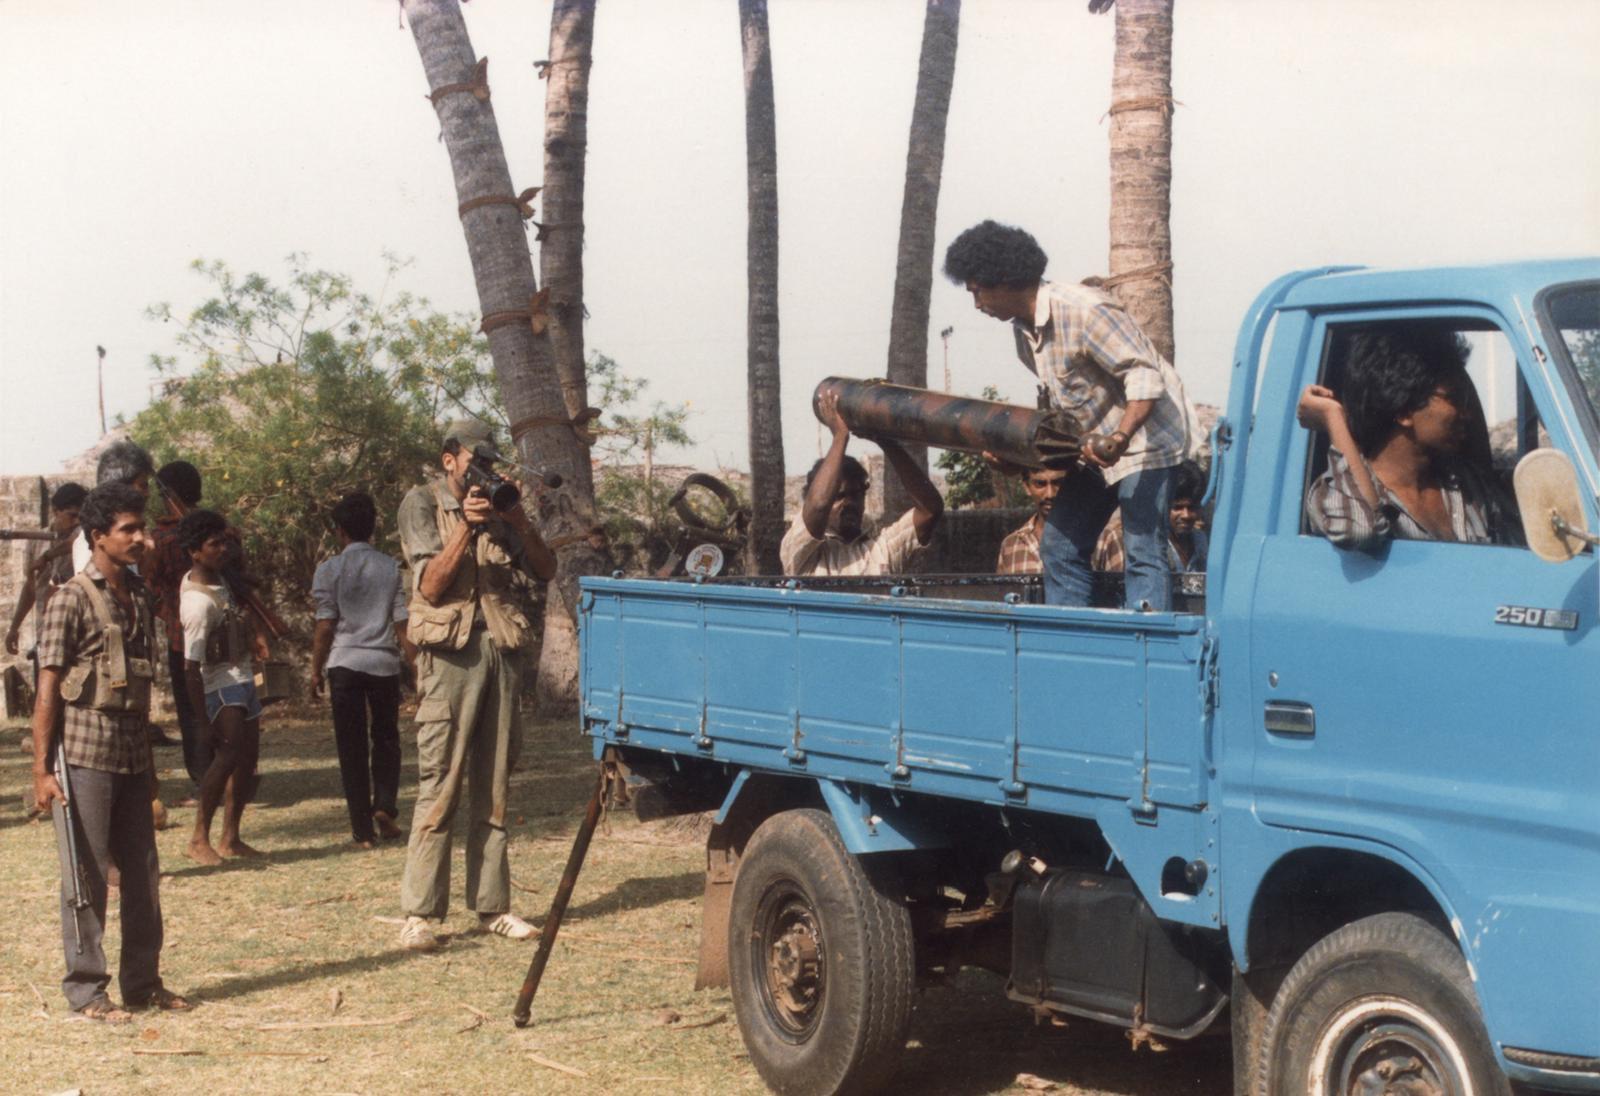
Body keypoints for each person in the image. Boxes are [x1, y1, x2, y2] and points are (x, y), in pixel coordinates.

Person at [943, 220, 1197, 610]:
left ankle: (1146, 644)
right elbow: (1065, 414)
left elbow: (1144, 375)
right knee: (1059, 546)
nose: (977, 305)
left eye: (978, 292)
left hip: (1149, 441)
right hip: (1097, 447)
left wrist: (1120, 437)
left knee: (1143, 548)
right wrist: (1016, 457)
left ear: (1004, 279)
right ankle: (1074, 637)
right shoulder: (1024, 334)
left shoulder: (1085, 309)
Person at [30, 482, 192, 1020]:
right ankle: (86, 990)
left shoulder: (140, 597)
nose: (143, 539)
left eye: (142, 528)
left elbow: (139, 688)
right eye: (130, 530)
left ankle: (143, 983)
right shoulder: (71, 598)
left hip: (132, 754)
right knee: (88, 876)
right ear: (98, 536)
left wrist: (150, 766)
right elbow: (48, 689)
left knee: (143, 875)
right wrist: (41, 771)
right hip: (84, 756)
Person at [395, 419, 557, 951]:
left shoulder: (500, 505)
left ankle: (493, 906)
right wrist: (466, 525)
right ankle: (419, 914)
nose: (481, 471)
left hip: (501, 649)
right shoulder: (422, 503)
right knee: (440, 783)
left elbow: (545, 569)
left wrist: (518, 520)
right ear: (449, 459)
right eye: (474, 460)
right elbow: (431, 586)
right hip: (450, 656)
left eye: (489, 461)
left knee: (494, 786)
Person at [1298, 328, 1510, 549]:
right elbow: (1361, 529)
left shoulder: (1466, 484)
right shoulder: (1332, 494)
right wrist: (1333, 417)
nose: (1467, 414)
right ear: (1405, 411)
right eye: (1454, 399)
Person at [311, 492, 412, 849]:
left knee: (350, 746)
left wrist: (315, 669)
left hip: (345, 663)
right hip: (383, 663)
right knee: (386, 738)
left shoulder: (329, 570)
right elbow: (402, 623)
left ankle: (362, 831)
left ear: (339, 531)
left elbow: (325, 625)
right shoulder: (389, 567)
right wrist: (416, 665)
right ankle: (384, 804)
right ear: (373, 529)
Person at [178, 508, 267, 866]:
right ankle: (199, 837)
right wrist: (202, 722)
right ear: (194, 552)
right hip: (219, 686)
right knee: (226, 757)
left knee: (247, 759)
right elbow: (190, 667)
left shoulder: (222, 579)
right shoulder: (197, 604)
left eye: (223, 543)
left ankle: (231, 837)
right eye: (213, 545)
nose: (222, 550)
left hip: (242, 677)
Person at [781, 389, 944, 577]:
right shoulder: (799, 550)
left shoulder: (882, 548)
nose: (850, 503)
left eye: (856, 495)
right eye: (839, 496)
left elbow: (930, 510)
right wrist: (840, 437)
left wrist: (886, 441)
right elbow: (818, 505)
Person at [146, 461, 212, 791]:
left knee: (191, 710)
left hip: (181, 636)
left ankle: (204, 779)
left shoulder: (162, 538)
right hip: (219, 631)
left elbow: (150, 585)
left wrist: (168, 611)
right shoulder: (219, 529)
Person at [6, 482, 87, 661]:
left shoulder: (83, 540)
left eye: (81, 517)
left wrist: (47, 556)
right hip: (46, 631)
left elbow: (74, 542)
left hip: (78, 632)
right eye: (72, 515)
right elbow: (31, 589)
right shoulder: (36, 542)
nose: (77, 521)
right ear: (56, 511)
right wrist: (14, 628)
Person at [1093, 461, 1210, 574]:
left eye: (1192, 508)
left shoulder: (1199, 541)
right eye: (1177, 508)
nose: (1186, 515)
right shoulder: (1124, 537)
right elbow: (1119, 585)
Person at [996, 468, 1068, 575]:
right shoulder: (1011, 545)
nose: (1050, 494)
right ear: (1027, 487)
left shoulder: (1091, 539)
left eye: (1058, 483)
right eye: (1040, 484)